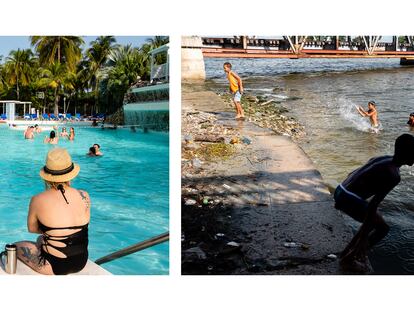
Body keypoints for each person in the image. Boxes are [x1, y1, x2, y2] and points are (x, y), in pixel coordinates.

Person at [334, 134, 414, 271]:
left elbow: (353, 173)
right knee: (382, 228)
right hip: (348, 197)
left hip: (340, 190)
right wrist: (365, 232)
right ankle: (351, 258)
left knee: (373, 220)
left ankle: (349, 252)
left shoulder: (383, 159)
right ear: (408, 154)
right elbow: (373, 204)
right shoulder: (394, 174)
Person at [15, 148, 90, 275]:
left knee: (14, 246)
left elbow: (32, 229)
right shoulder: (84, 195)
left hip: (53, 266)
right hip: (81, 261)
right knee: (41, 239)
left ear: (47, 176)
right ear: (71, 173)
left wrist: (53, 230)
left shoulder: (37, 199)